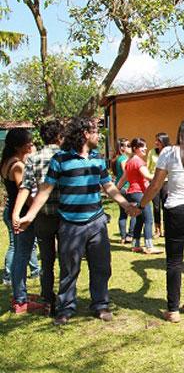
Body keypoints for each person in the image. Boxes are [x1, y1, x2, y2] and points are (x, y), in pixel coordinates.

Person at [15, 117, 137, 325]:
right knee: (69, 269)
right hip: (70, 224)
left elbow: (108, 186)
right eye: (95, 131)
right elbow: (45, 190)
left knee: (101, 267)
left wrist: (126, 205)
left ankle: (100, 305)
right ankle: (65, 308)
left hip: (97, 222)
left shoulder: (98, 158)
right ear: (84, 134)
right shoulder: (60, 159)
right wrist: (29, 215)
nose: (99, 135)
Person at [133, 117, 184, 323]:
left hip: (178, 209)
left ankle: (173, 310)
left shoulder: (169, 152)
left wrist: (140, 205)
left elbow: (156, 185)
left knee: (175, 261)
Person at [11, 120, 63, 314]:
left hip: (42, 217)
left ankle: (48, 299)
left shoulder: (33, 158)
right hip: (66, 216)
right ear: (59, 137)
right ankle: (65, 300)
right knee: (66, 260)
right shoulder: (65, 156)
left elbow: (25, 187)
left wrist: (17, 213)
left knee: (47, 261)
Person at [1, 128, 43, 313]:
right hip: (21, 214)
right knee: (22, 255)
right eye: (29, 142)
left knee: (20, 252)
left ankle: (20, 294)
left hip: (12, 211)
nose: (31, 144)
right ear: (20, 145)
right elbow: (24, 192)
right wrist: (37, 208)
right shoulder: (17, 165)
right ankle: (20, 300)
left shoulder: (7, 161)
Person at [117, 138, 161, 254]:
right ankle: (149, 246)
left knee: (139, 219)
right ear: (135, 149)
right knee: (149, 219)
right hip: (140, 193)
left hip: (131, 193)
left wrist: (116, 191)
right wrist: (163, 175)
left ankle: (136, 245)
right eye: (143, 147)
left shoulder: (130, 162)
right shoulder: (138, 161)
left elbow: (123, 179)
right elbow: (148, 176)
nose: (145, 148)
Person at [111, 138, 135, 244]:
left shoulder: (118, 158)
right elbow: (127, 174)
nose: (130, 148)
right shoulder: (124, 159)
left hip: (120, 188)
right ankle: (130, 235)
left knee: (122, 214)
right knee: (133, 212)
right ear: (122, 148)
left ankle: (123, 237)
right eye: (128, 146)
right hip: (126, 188)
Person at [146, 132, 170, 238]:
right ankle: (157, 229)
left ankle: (166, 229)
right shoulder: (152, 152)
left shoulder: (169, 152)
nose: (156, 142)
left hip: (166, 182)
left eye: (158, 141)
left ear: (164, 142)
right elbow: (147, 167)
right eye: (156, 140)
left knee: (166, 206)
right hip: (154, 181)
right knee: (156, 207)